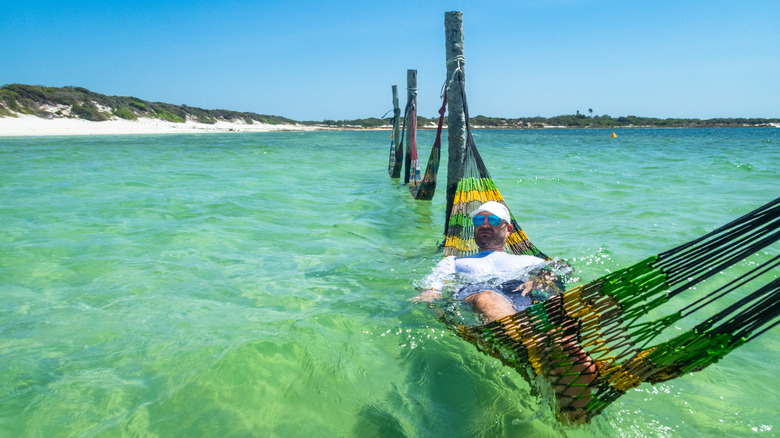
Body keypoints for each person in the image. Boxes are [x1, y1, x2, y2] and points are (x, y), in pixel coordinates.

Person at [412, 200, 550, 322]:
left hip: (520, 297)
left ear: (508, 229)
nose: (484, 225)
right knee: (488, 297)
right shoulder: (453, 262)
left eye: (493, 220)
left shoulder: (531, 261)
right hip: (477, 298)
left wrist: (539, 280)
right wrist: (430, 294)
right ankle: (522, 338)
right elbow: (433, 286)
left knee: (550, 300)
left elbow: (558, 271)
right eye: (478, 220)